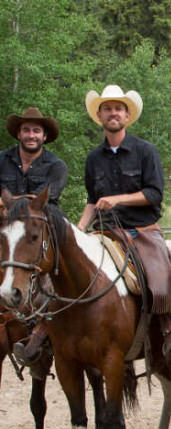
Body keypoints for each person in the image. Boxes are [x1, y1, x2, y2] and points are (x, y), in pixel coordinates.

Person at [77, 84, 171, 377]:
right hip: (103, 230)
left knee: (159, 272)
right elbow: (92, 200)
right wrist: (78, 230)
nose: (112, 113)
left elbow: (154, 193)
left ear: (127, 115)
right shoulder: (93, 158)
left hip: (141, 228)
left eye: (118, 109)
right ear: (99, 115)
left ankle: (168, 330)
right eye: (107, 109)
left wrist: (117, 199)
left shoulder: (145, 151)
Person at [1, 107, 68, 374]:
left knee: (58, 277)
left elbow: (43, 203)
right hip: (5, 230)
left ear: (45, 135)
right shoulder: (2, 160)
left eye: (36, 130)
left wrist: (10, 203)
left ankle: (47, 329)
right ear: (19, 133)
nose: (31, 135)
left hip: (39, 230)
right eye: (26, 130)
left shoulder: (56, 166)